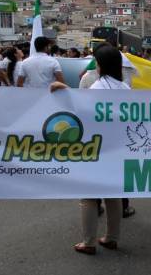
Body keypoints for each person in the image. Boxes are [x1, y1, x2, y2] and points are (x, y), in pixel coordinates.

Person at [50, 44, 124, 255]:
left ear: (99, 65)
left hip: (96, 148)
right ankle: (112, 238)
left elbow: (81, 111)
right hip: (118, 148)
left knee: (88, 197)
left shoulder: (97, 87)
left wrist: (64, 91)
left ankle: (88, 242)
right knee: (113, 194)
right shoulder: (125, 88)